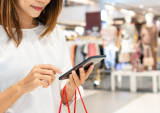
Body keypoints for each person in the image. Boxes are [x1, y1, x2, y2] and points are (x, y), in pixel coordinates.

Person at [0, 0, 94, 113]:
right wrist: (21, 87)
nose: (42, 0)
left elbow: (61, 99)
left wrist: (70, 87)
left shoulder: (55, 32)